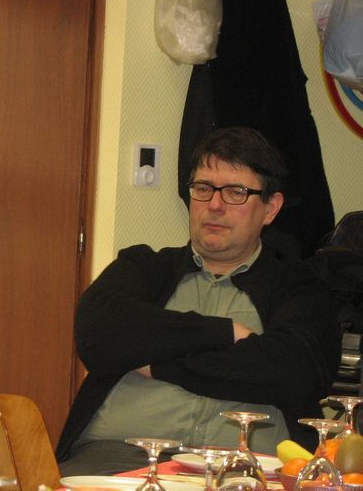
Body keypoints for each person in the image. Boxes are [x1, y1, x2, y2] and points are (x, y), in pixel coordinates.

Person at [56, 126, 341, 475]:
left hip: (248, 469)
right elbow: (98, 333)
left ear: (270, 208)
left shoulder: (299, 287)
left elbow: (292, 373)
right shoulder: (145, 267)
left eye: (236, 192)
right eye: (203, 189)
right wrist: (225, 333)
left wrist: (159, 364)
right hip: (117, 459)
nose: (215, 205)